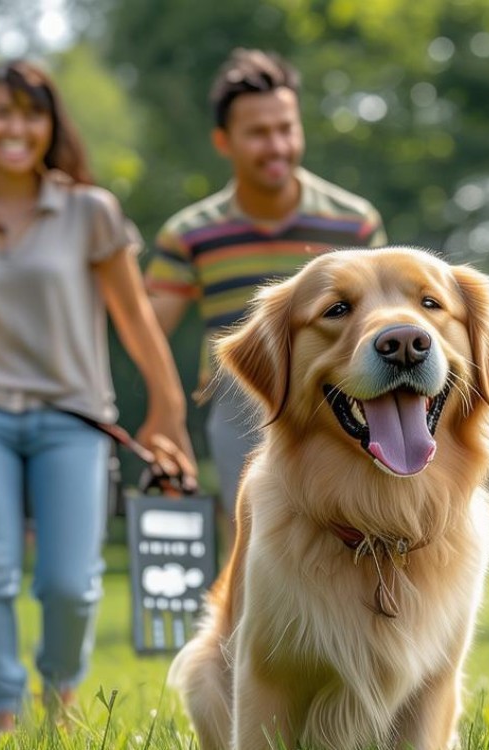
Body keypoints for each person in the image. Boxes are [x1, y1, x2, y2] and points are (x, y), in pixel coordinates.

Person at [0, 60, 196, 731]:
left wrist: (167, 411)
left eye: (32, 113)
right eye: (2, 112)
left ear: (52, 125)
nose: (16, 127)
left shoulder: (90, 212)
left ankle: (59, 698)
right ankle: (1, 708)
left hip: (73, 419)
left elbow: (136, 320)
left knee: (69, 584)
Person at [144, 48, 387, 525]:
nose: (276, 146)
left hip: (337, 401)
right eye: (258, 133)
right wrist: (165, 417)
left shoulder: (354, 224)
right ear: (223, 141)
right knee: (255, 542)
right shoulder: (190, 233)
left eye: (286, 128)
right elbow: (146, 331)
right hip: (243, 403)